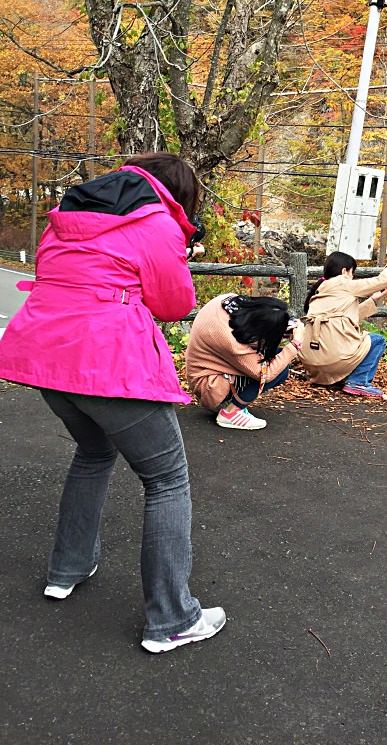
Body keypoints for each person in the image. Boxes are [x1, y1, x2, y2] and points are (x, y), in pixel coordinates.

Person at [0, 152, 225, 653]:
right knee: (167, 479)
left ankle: (67, 569)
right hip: (107, 363)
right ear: (179, 193)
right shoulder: (157, 223)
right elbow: (175, 304)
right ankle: (171, 618)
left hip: (45, 358)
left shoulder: (65, 218)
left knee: (94, 452)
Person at [186, 294, 306, 430]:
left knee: (277, 356)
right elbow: (266, 374)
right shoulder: (230, 342)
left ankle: (232, 402)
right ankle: (230, 413)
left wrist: (282, 329)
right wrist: (295, 344)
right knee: (279, 369)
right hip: (210, 386)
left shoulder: (231, 302)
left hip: (210, 370)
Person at [298, 251, 387, 397]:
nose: (352, 277)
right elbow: (380, 281)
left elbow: (343, 318)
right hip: (333, 359)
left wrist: (373, 299)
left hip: (312, 363)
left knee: (358, 342)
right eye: (353, 273)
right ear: (344, 271)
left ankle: (340, 377)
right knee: (377, 341)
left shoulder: (320, 290)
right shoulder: (344, 283)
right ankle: (358, 382)